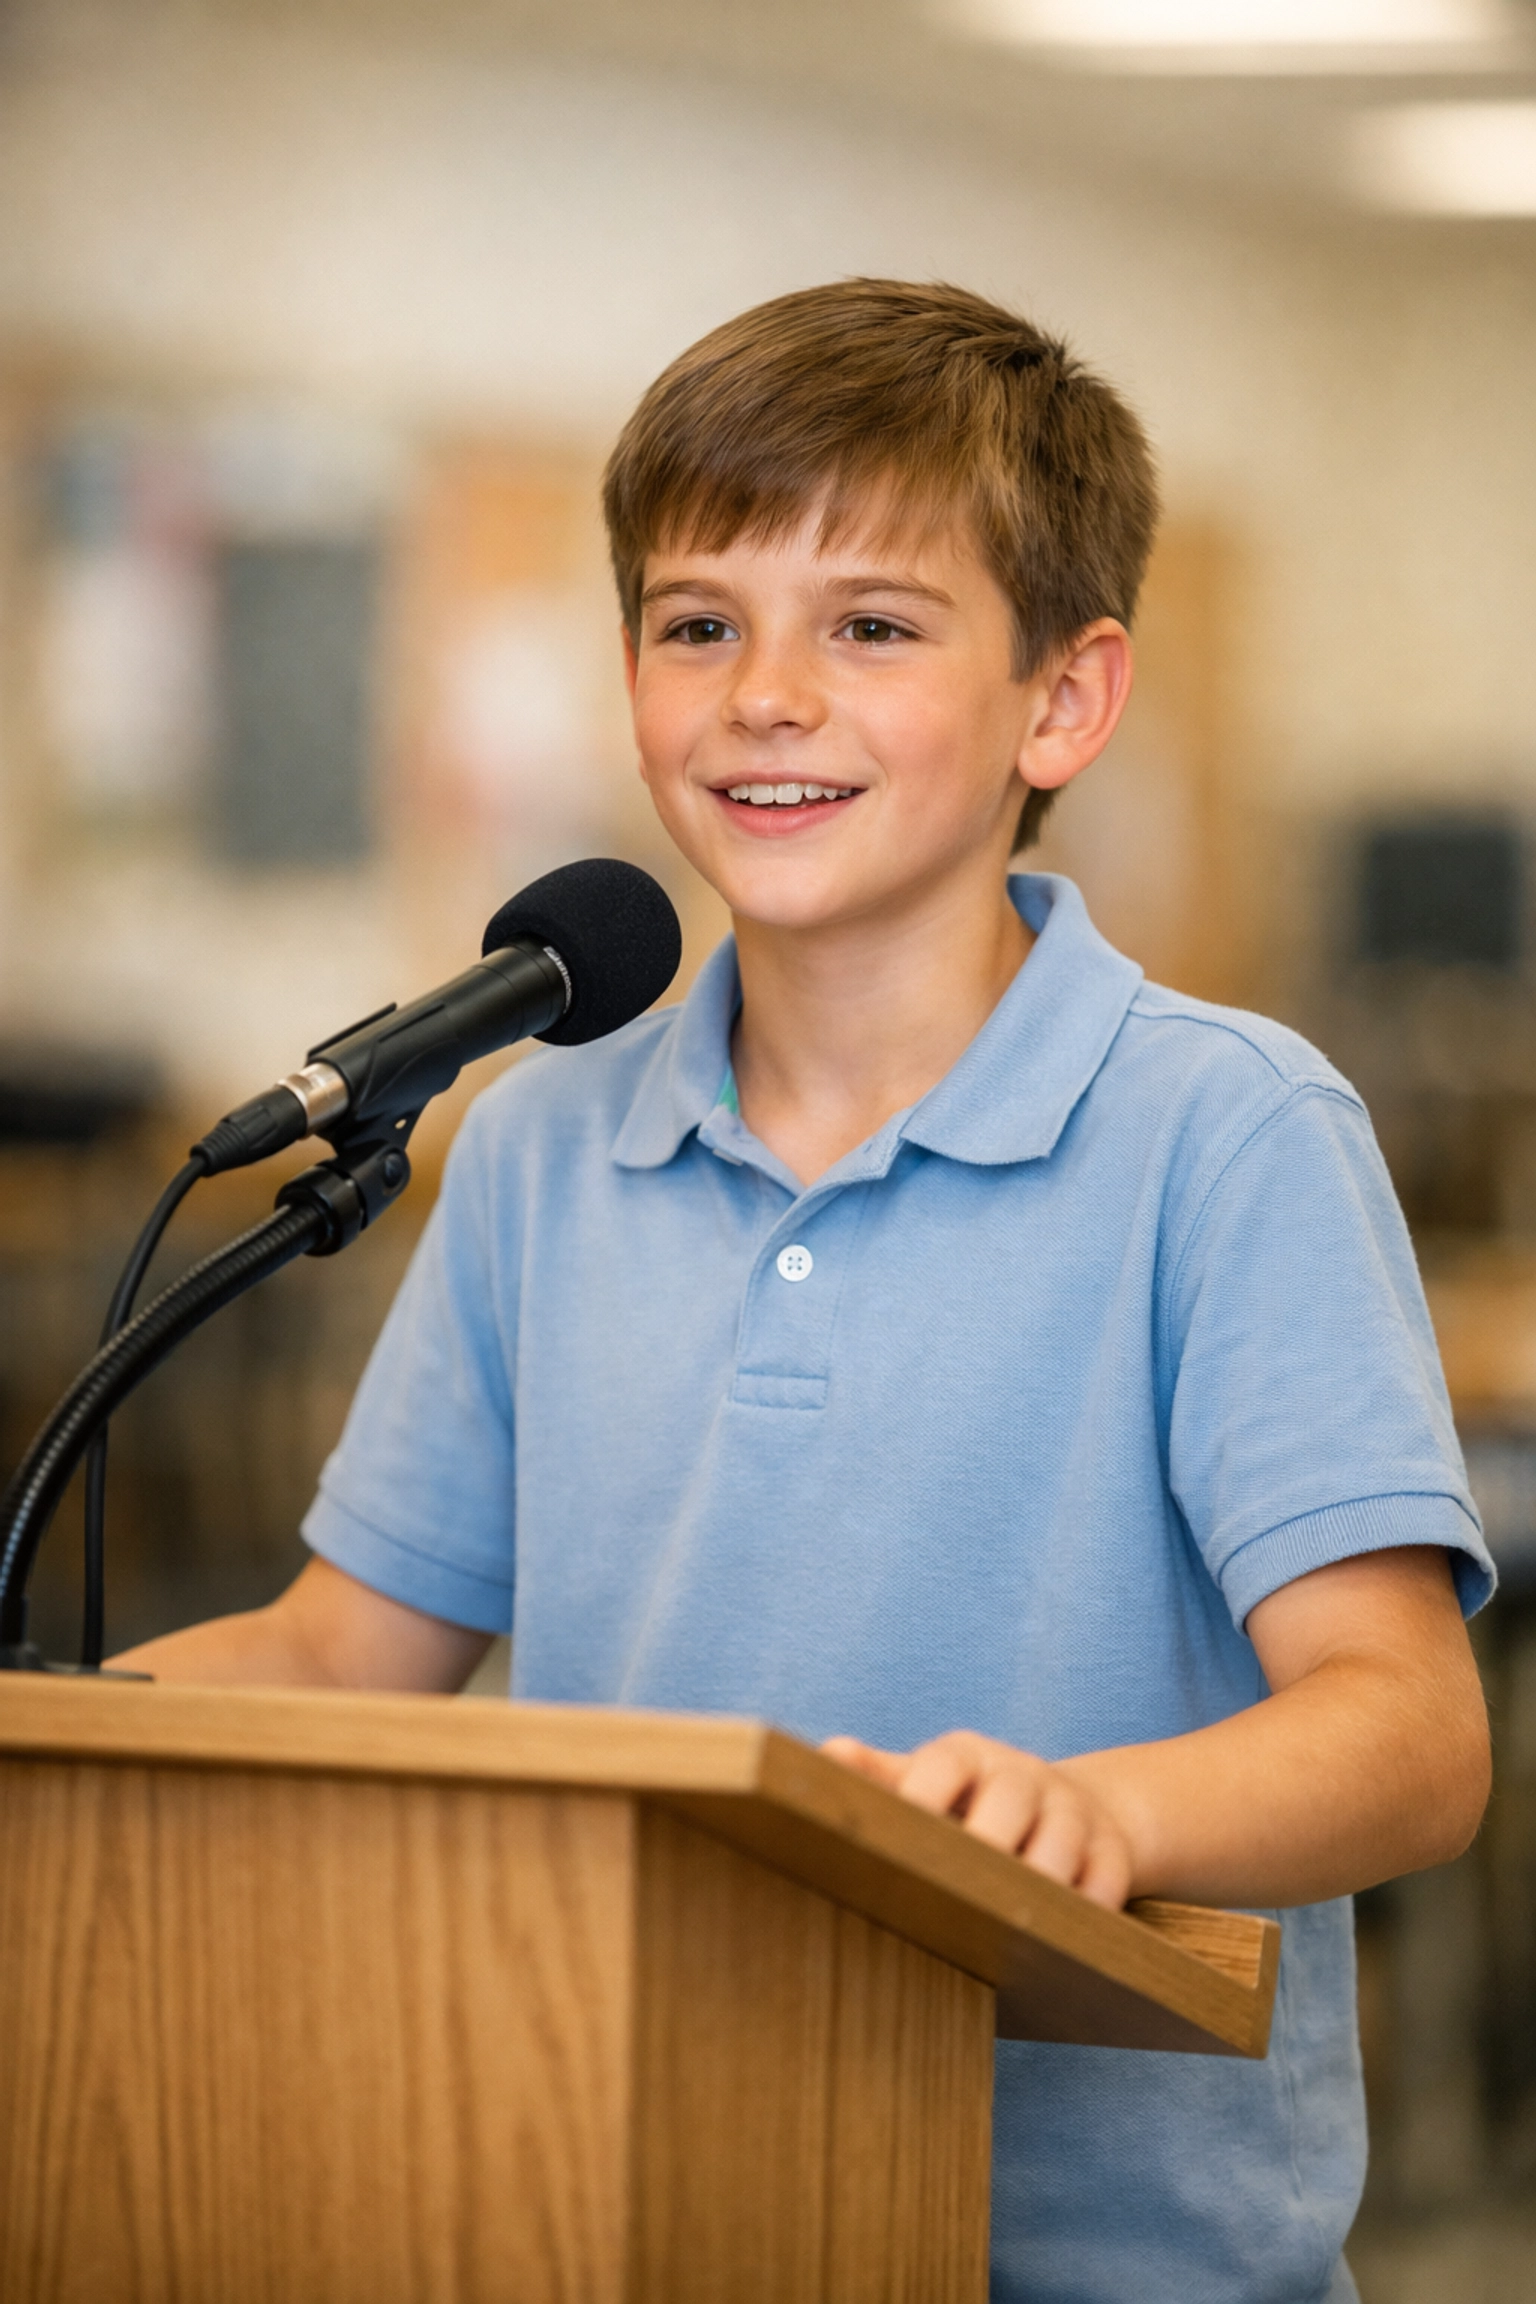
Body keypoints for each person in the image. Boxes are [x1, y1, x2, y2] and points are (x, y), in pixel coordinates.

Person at [117, 280, 1493, 2303]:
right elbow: (342, 1662)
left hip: (1112, 2271)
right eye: (699, 623)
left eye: (870, 623)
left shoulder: (1228, 1135)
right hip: (620, 2205)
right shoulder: (541, 1140)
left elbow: (1408, 1735)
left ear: (1065, 701)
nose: (765, 690)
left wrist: (1091, 1809)